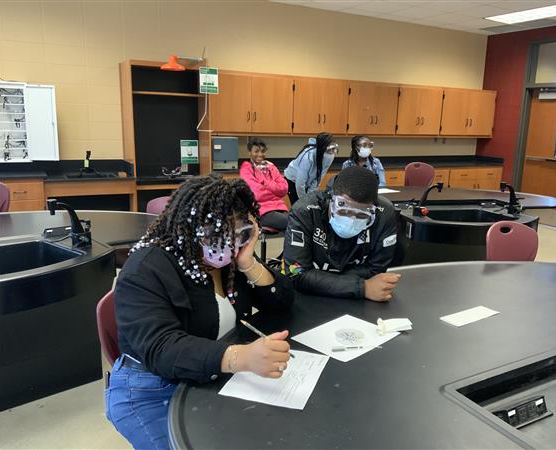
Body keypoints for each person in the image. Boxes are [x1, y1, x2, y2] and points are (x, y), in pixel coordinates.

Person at [106, 175, 294, 450]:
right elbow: (162, 348)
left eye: (239, 233)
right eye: (217, 233)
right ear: (190, 226)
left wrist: (248, 262)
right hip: (149, 387)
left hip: (209, 372)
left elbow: (282, 302)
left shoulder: (230, 259)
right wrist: (239, 356)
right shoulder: (146, 268)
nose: (228, 244)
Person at [282, 165, 400, 301]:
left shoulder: (384, 213)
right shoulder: (305, 211)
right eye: (343, 211)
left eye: (361, 215)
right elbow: (296, 273)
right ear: (331, 200)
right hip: (311, 298)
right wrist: (362, 287)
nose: (351, 220)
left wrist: (321, 277)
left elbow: (376, 269)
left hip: (357, 302)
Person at [239, 137, 289, 230]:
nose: (260, 154)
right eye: (256, 151)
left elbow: (284, 188)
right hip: (260, 211)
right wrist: (276, 192)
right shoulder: (246, 169)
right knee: (293, 223)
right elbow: (257, 195)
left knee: (299, 222)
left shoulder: (270, 167)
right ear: (249, 152)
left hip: (279, 208)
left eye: (262, 151)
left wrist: (265, 183)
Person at [284, 132, 338, 204]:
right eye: (330, 148)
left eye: (333, 147)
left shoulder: (330, 156)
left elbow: (319, 177)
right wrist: (304, 201)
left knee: (309, 204)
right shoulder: (308, 157)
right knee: (298, 207)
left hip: (307, 181)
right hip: (293, 181)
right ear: (322, 147)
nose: (332, 151)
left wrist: (310, 196)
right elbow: (300, 183)